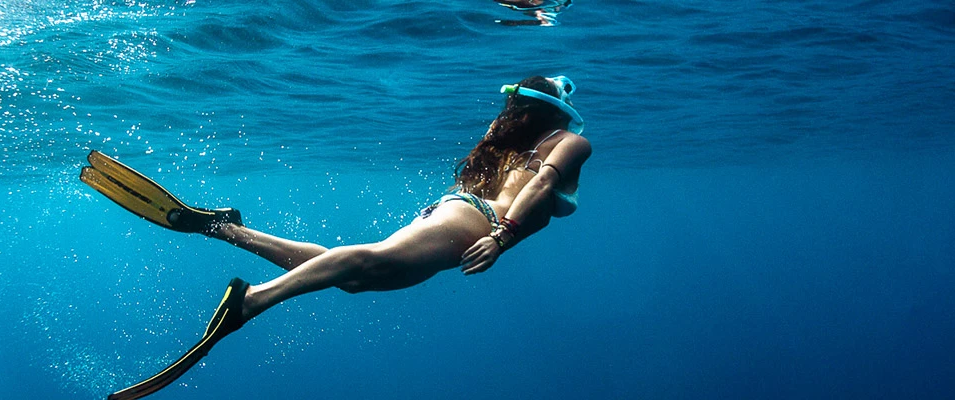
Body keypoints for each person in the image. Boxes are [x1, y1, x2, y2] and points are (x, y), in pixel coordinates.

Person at [81, 75, 591, 400]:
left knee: (353, 274)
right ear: (558, 113)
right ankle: (252, 301)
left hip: (456, 212)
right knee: (363, 261)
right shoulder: (571, 141)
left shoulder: (506, 148)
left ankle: (224, 228)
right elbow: (542, 186)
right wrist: (502, 237)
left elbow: (527, 187)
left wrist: (499, 231)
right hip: (477, 222)